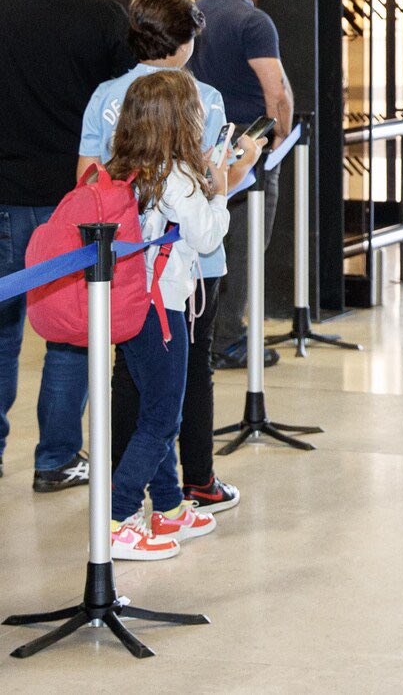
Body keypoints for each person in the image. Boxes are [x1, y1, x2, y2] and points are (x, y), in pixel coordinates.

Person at [78, 0, 263, 513]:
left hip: (121, 262)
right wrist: (242, 165)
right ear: (184, 42)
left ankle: (127, 477)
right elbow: (212, 185)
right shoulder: (200, 97)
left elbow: (87, 179)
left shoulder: (106, 96)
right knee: (189, 371)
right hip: (186, 271)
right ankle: (195, 480)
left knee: (129, 370)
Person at [0, 0, 134, 490]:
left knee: (1, 330)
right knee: (71, 332)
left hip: (2, 195)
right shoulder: (104, 17)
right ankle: (55, 459)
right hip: (74, 202)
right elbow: (125, 107)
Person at [103, 70, 230, 560]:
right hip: (162, 309)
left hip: (131, 303)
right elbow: (207, 236)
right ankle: (117, 517)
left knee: (154, 408)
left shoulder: (124, 167)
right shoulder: (176, 175)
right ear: (181, 120)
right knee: (161, 418)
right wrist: (218, 189)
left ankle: (170, 505)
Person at [187, 0, 293, 369]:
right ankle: (229, 338)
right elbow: (275, 91)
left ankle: (202, 332)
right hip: (248, 152)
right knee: (247, 245)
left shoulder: (194, 11)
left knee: (203, 241)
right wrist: (280, 135)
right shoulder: (254, 22)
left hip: (200, 149)